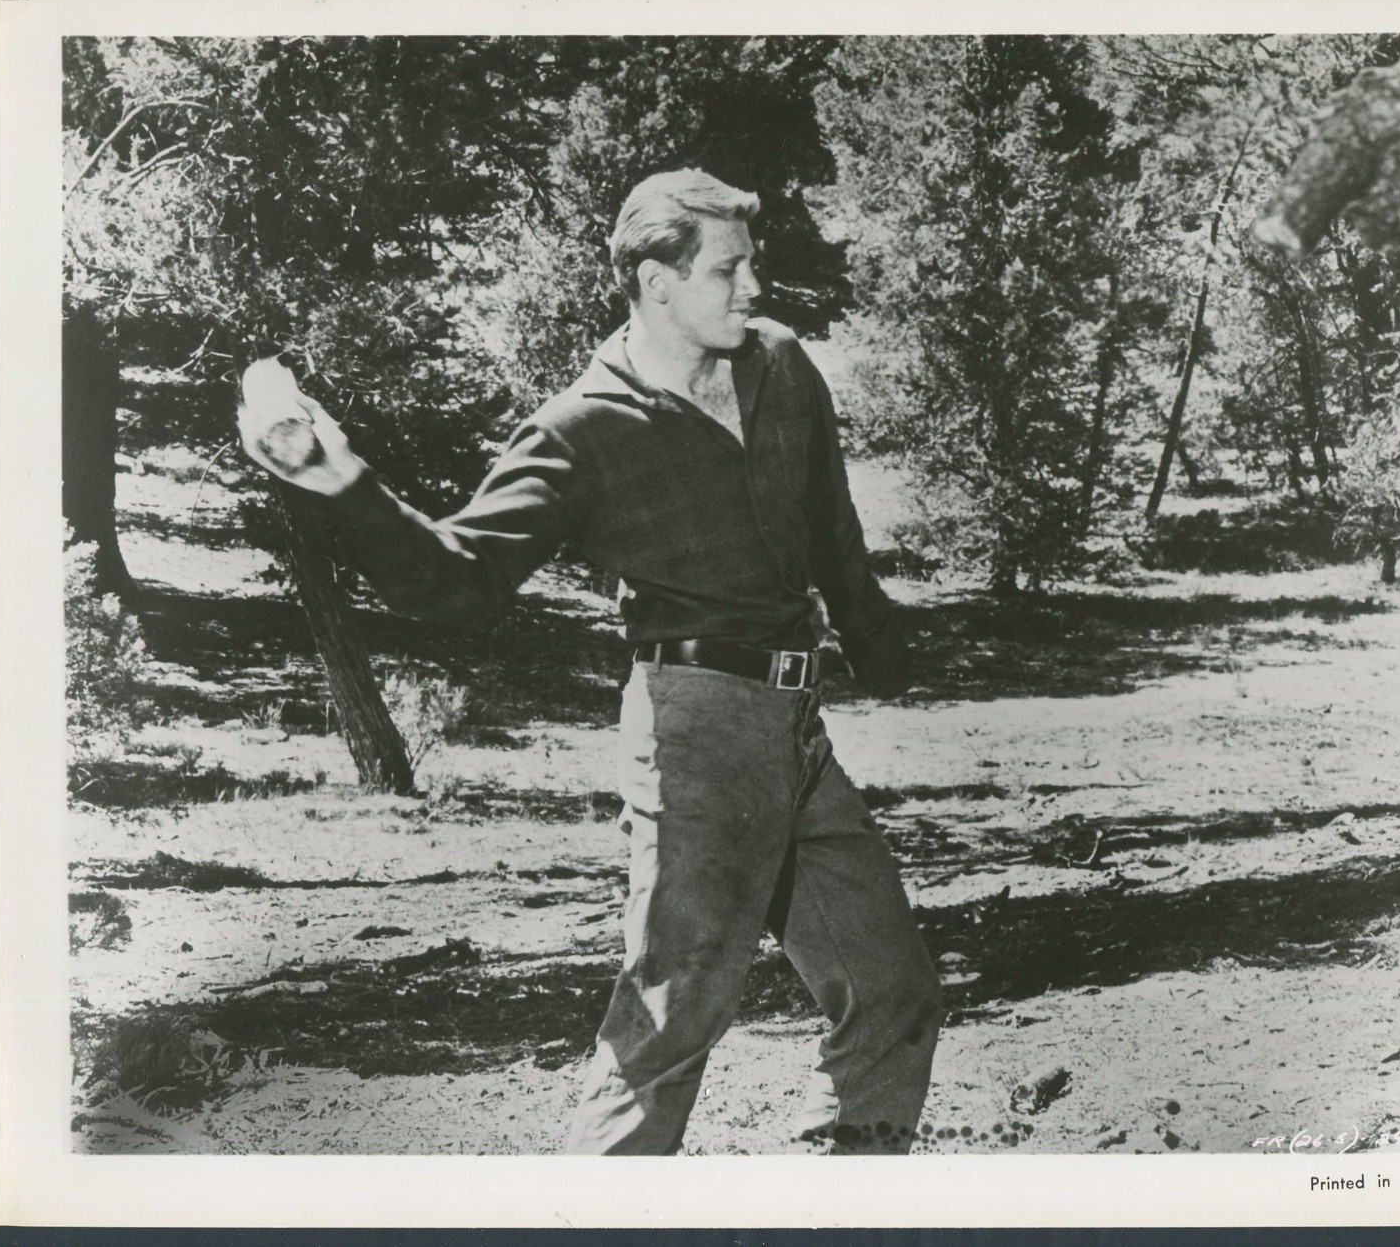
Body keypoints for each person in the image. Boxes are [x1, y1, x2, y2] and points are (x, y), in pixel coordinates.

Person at [238, 168, 942, 1155]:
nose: (752, 290)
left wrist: (880, 638)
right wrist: (337, 479)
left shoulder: (780, 365)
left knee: (892, 989)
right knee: (672, 1016)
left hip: (795, 724)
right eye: (729, 270)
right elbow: (459, 576)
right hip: (694, 726)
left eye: (753, 267)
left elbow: (831, 525)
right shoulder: (582, 430)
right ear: (657, 282)